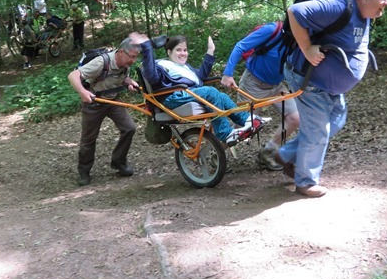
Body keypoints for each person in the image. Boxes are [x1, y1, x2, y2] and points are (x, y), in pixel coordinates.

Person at [276, 0, 387, 198]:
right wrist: (308, 49)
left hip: (329, 86)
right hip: (309, 79)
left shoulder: (365, 11)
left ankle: (288, 155)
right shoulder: (338, 6)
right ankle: (306, 182)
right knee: (318, 130)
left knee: (337, 120)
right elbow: (295, 12)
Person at [131, 33, 267, 144]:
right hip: (173, 97)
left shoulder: (185, 67)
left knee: (223, 97)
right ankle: (225, 133)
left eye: (185, 50)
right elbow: (152, 77)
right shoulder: (162, 65)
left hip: (189, 93)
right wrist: (148, 49)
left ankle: (247, 120)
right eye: (178, 50)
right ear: (169, 51)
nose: (183, 53)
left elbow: (201, 76)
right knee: (210, 91)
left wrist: (210, 51)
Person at [221, 22, 299, 171]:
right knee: (242, 127)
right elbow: (240, 46)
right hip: (253, 85)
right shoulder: (272, 30)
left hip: (277, 86)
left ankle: (268, 151)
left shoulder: (301, 39)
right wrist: (228, 73)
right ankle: (214, 151)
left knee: (294, 118)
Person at [67, 37, 142, 186]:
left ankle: (119, 162)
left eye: (136, 57)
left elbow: (121, 78)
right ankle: (84, 171)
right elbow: (73, 75)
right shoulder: (102, 62)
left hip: (113, 101)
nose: (133, 60)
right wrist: (83, 92)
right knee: (89, 139)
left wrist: (129, 82)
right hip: (94, 103)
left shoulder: (125, 63)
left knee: (129, 128)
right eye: (132, 57)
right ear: (121, 52)